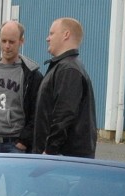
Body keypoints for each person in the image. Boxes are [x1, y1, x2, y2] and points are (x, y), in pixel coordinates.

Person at [0, 20, 42, 154]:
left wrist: (24, 141)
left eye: (12, 42)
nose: (7, 46)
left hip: (16, 144)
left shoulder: (31, 74)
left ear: (22, 41)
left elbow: (38, 111)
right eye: (3, 41)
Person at [33, 17, 97, 158]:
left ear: (66, 35)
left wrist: (50, 151)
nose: (47, 38)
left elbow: (64, 115)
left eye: (51, 33)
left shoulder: (68, 70)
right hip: (58, 158)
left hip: (61, 160)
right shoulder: (64, 67)